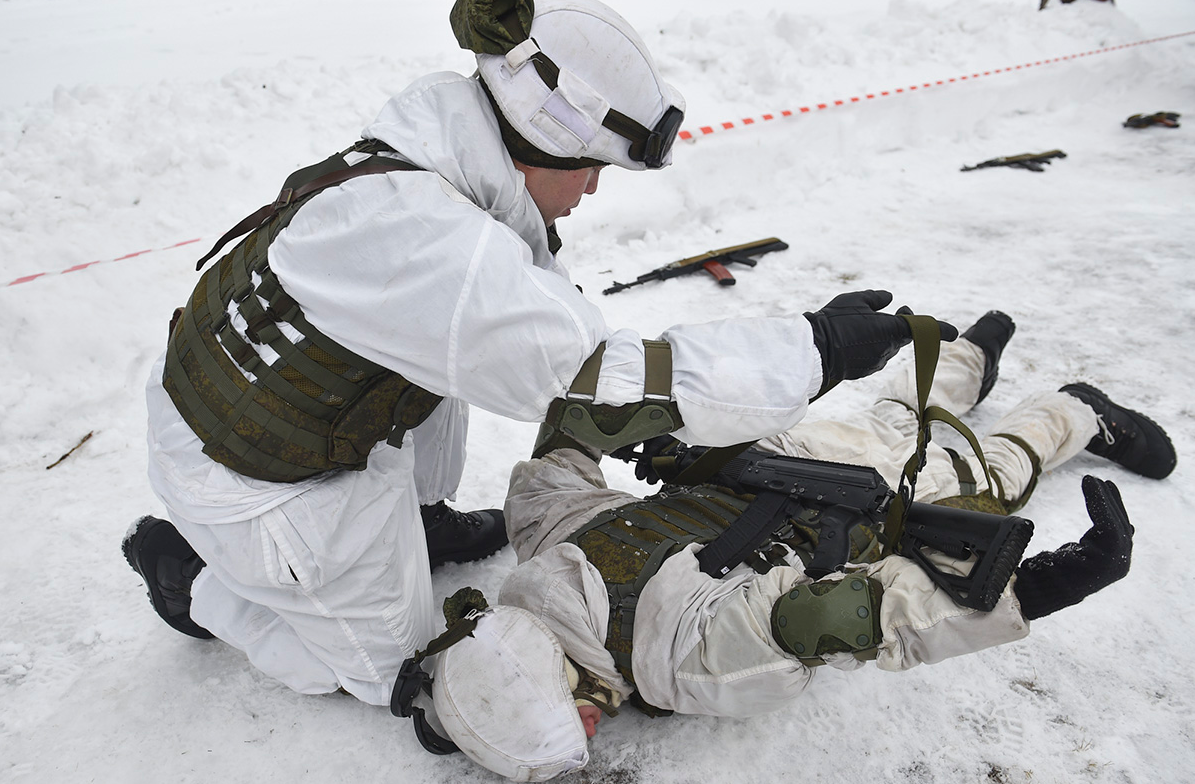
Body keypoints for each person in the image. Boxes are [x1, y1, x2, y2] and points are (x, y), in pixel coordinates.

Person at [122, 0, 944, 706]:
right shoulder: (413, 240)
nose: (590, 190)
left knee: (459, 378)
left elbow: (537, 313)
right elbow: (590, 373)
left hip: (283, 422)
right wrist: (814, 350)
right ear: (541, 143)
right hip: (255, 488)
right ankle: (188, 580)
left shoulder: (443, 155)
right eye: (590, 168)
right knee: (398, 677)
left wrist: (661, 421)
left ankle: (414, 520)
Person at [401, 311, 1175, 780]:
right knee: (889, 419)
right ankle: (968, 352)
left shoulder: (690, 658)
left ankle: (1075, 409)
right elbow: (563, 446)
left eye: (578, 721)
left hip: (876, 505)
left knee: (995, 466)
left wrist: (1038, 586)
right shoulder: (550, 540)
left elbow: (860, 615)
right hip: (782, 452)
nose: (593, 731)